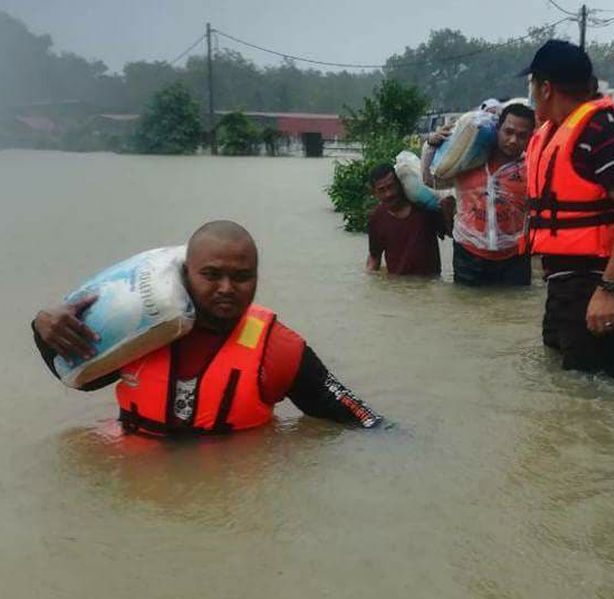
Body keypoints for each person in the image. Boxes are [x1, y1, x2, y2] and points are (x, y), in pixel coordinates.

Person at [33, 220, 383, 435]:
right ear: (186, 274)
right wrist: (43, 327)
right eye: (212, 275)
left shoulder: (279, 349)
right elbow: (74, 377)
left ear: (257, 278)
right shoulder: (139, 326)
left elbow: (357, 416)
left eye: (242, 277)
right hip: (138, 501)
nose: (227, 288)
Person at [518, 40, 614, 377]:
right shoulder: (554, 129)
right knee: (564, 386)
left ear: (546, 88)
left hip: (594, 282)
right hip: (565, 281)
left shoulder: (601, 128)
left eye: (533, 85)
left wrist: (607, 290)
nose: (532, 94)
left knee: (589, 388)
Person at [422, 103, 536, 287]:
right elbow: (431, 180)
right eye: (508, 132)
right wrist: (431, 146)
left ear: (530, 137)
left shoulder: (530, 168)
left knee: (513, 312)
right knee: (467, 309)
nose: (514, 140)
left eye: (522, 136)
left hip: (514, 257)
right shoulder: (468, 161)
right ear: (498, 129)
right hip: (469, 256)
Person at [366, 163, 447, 276]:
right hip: (396, 288)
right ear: (374, 193)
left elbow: (450, 233)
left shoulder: (424, 208)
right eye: (381, 190)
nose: (388, 194)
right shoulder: (377, 217)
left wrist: (446, 209)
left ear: (400, 184)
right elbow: (374, 257)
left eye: (391, 186)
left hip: (429, 285)